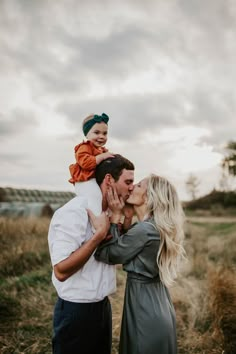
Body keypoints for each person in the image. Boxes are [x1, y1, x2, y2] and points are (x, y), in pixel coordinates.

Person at [88, 174, 186, 354]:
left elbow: (105, 254)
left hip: (144, 308)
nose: (132, 187)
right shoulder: (155, 226)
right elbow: (132, 248)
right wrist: (126, 219)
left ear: (149, 197)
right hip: (159, 303)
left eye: (139, 185)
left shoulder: (145, 229)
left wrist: (115, 217)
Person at [48, 154, 134, 354]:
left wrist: (123, 221)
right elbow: (61, 270)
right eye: (128, 181)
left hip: (102, 308)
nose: (132, 187)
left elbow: (115, 254)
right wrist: (98, 237)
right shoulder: (74, 212)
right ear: (109, 180)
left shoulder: (110, 214)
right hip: (75, 312)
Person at [68, 112, 114, 198]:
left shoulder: (103, 151)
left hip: (95, 181)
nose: (101, 136)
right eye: (97, 133)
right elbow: (85, 163)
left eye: (104, 133)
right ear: (87, 134)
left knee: (101, 197)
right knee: (93, 200)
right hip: (85, 181)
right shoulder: (84, 147)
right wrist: (101, 157)